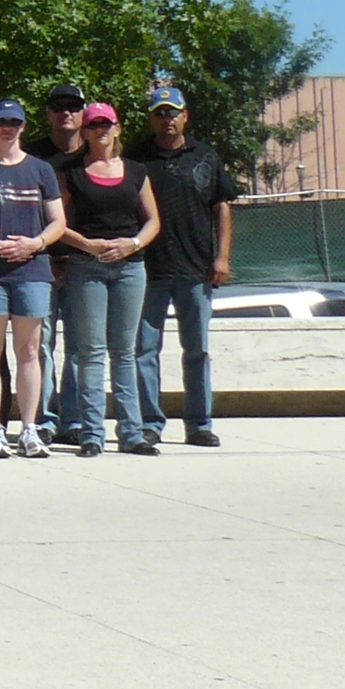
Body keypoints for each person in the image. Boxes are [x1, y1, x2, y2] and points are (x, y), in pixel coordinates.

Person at [136, 82, 241, 449]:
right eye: (160, 113)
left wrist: (222, 256)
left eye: (173, 113)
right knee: (144, 351)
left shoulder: (206, 156)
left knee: (196, 351)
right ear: (151, 118)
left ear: (185, 116)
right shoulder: (137, 159)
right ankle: (149, 423)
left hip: (195, 270)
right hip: (147, 271)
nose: (167, 119)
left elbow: (222, 206)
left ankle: (199, 423)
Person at [58, 103, 162, 457]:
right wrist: (86, 244)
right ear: (84, 132)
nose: (101, 130)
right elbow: (56, 222)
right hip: (86, 267)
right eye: (94, 124)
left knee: (125, 352)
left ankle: (132, 433)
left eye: (107, 124)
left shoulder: (136, 171)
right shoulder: (72, 173)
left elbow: (152, 222)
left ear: (118, 129)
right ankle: (91, 434)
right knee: (90, 352)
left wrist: (131, 244)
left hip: (131, 268)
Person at [0, 99, 67, 459]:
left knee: (29, 350)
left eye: (14, 122)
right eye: (1, 121)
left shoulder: (41, 170)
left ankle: (29, 428)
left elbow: (58, 223)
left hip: (33, 273)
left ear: (23, 127)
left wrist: (34, 243)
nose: (7, 127)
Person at [31, 80, 92, 441]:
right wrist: (47, 254)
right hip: (41, 264)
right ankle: (45, 419)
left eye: (73, 105)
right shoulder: (33, 156)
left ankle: (74, 418)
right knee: (40, 345)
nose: (66, 112)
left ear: (83, 111)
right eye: (58, 106)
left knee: (82, 347)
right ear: (49, 113)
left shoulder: (97, 152)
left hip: (88, 265)